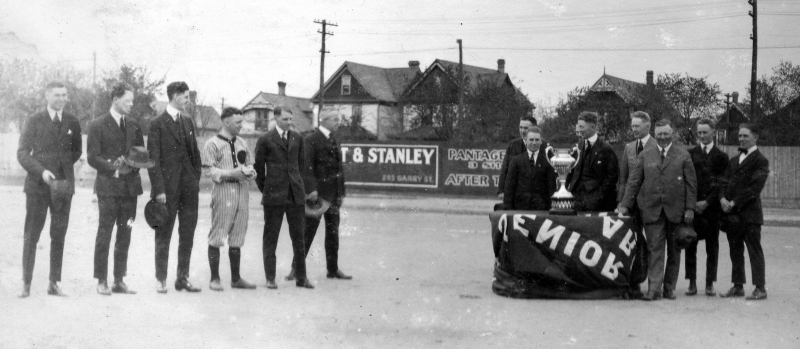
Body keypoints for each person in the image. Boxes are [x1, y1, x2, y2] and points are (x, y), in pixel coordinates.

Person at [619, 119, 697, 301]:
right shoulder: (646, 155)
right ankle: (654, 290)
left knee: (674, 251)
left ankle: (669, 288)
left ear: (672, 134)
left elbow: (691, 185)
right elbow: (634, 182)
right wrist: (625, 204)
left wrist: (690, 209)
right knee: (655, 249)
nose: (662, 137)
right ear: (655, 134)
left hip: (676, 212)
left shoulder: (683, 155)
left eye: (666, 134)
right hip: (652, 210)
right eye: (659, 134)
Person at [17, 81, 82, 298]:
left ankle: (54, 283)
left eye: (64, 95)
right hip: (38, 186)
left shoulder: (72, 120)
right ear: (47, 95)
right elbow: (23, 153)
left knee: (59, 234)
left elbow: (76, 151)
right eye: (57, 95)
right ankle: (26, 283)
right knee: (32, 235)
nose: (61, 99)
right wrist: (42, 172)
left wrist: (61, 171)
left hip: (63, 186)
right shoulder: (34, 120)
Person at [87, 83, 144, 296]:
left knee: (125, 233)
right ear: (115, 99)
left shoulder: (135, 125)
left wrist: (132, 164)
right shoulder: (97, 124)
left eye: (132, 100)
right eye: (128, 100)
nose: (131, 104)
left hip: (130, 190)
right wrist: (114, 166)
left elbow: (140, 154)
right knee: (105, 232)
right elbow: (93, 157)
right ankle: (101, 280)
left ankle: (119, 280)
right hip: (108, 189)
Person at [147, 81, 202, 293]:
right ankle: (161, 278)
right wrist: (159, 189)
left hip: (189, 189)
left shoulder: (188, 122)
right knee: (164, 234)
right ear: (175, 96)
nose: (188, 101)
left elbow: (195, 153)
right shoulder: (157, 123)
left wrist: (195, 177)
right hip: (166, 191)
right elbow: (153, 160)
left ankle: (182, 278)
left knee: (187, 233)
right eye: (186, 97)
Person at [287, 113, 352, 281]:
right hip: (318, 195)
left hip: (334, 194)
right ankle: (296, 269)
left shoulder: (334, 138)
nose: (338, 122)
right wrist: (311, 189)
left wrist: (341, 192)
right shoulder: (311, 139)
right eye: (335, 119)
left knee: (333, 234)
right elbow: (306, 166)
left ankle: (333, 269)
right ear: (324, 120)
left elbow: (338, 169)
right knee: (308, 232)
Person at [255, 107, 314, 289]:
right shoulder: (265, 139)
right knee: (271, 238)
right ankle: (270, 278)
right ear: (276, 118)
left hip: (296, 197)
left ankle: (301, 278)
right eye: (285, 119)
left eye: (291, 119)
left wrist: (300, 189)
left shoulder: (298, 138)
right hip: (274, 197)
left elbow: (302, 167)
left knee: (299, 238)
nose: (289, 122)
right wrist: (268, 190)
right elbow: (259, 170)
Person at [201, 107, 258, 291]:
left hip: (242, 191)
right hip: (224, 191)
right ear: (226, 122)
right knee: (218, 234)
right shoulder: (212, 144)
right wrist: (231, 173)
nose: (242, 125)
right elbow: (208, 170)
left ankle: (236, 278)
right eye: (238, 122)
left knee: (238, 235)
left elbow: (249, 164)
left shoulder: (242, 142)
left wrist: (251, 173)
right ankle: (215, 278)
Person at [719, 123, 770, 300]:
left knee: (754, 250)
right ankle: (738, 286)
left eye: (745, 136)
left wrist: (733, 202)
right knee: (735, 250)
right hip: (733, 216)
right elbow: (723, 182)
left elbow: (754, 189)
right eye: (740, 136)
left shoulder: (761, 160)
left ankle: (760, 288)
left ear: (755, 137)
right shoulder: (733, 161)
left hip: (750, 215)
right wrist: (722, 199)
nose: (741, 139)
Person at [685, 118, 729, 296]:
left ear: (713, 132)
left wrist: (708, 202)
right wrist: (693, 203)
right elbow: (687, 181)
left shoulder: (721, 156)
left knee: (712, 247)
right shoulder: (690, 154)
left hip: (711, 210)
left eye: (705, 132)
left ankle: (709, 283)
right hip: (693, 208)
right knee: (690, 245)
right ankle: (692, 283)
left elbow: (721, 183)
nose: (702, 135)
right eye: (699, 132)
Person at [616, 111, 657, 299]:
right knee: (632, 245)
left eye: (637, 126)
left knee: (652, 246)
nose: (633, 129)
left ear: (647, 126)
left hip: (651, 205)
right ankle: (633, 285)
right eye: (632, 126)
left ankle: (653, 286)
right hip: (631, 205)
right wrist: (621, 202)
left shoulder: (657, 146)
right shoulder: (629, 148)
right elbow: (623, 179)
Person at [566, 111, 619, 212]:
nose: (579, 130)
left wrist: (597, 197)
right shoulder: (576, 147)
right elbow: (570, 173)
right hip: (576, 199)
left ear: (593, 127)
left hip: (597, 201)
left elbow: (612, 178)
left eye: (582, 127)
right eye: (578, 126)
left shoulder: (606, 149)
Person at [503, 127, 557, 210]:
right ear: (526, 140)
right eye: (531, 140)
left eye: (537, 140)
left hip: (541, 209)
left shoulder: (547, 161)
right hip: (519, 208)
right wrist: (508, 210)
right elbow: (509, 188)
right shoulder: (516, 161)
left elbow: (551, 188)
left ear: (541, 141)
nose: (534, 143)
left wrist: (551, 210)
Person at [497, 116, 537, 201]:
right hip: (515, 194)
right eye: (520, 127)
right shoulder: (513, 145)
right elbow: (505, 168)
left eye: (526, 128)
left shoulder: (543, 145)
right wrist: (501, 190)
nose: (522, 131)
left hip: (535, 195)